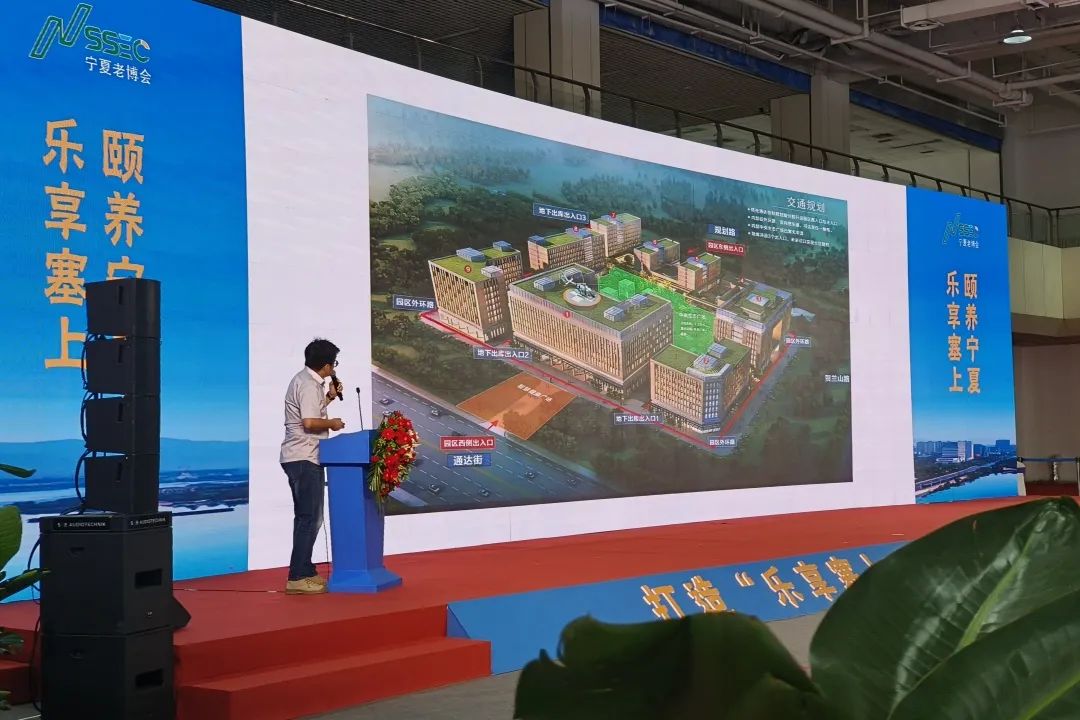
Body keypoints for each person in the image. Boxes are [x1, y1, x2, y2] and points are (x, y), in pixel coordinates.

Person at [279, 338, 346, 595]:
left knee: (307, 517)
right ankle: (297, 577)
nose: (334, 368)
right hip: (304, 457)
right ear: (326, 365)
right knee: (309, 518)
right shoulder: (308, 384)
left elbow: (309, 413)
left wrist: (329, 397)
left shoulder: (307, 381)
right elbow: (309, 422)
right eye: (334, 364)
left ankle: (305, 569)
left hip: (302, 457)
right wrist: (333, 423)